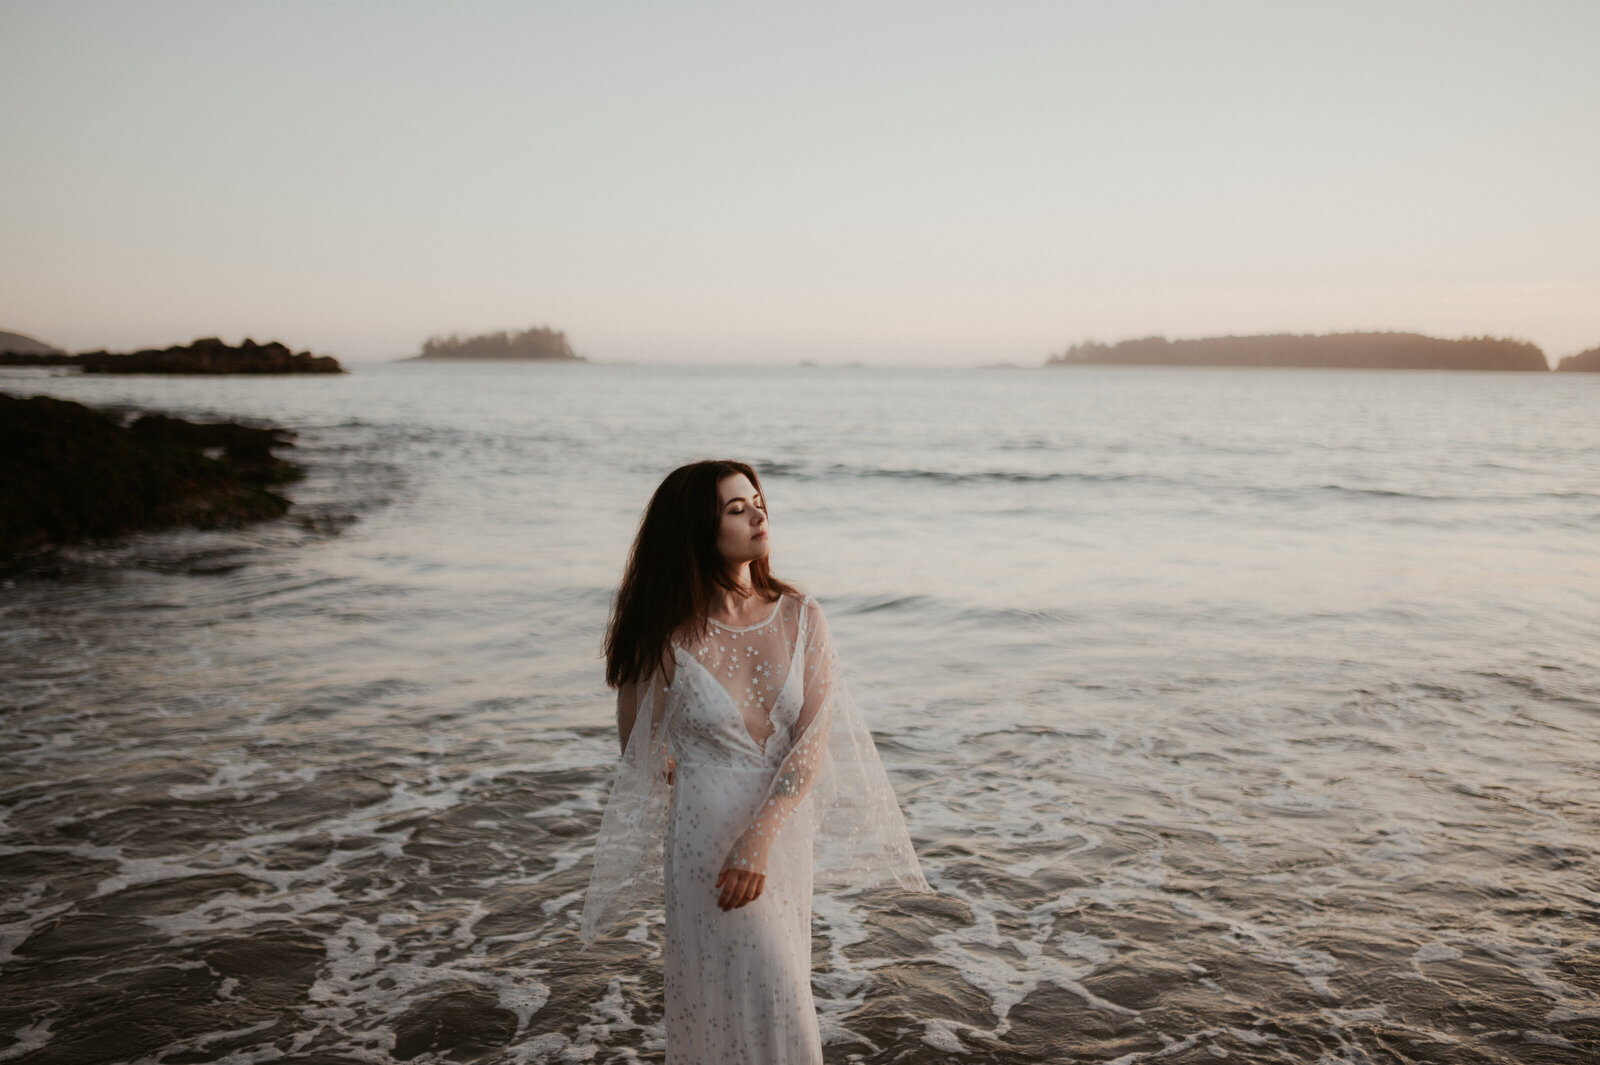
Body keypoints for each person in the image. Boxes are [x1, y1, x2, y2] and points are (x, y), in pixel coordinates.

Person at [580, 459, 930, 1064]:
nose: (757, 513)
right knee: (726, 995)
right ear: (696, 530)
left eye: (757, 500)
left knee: (782, 985)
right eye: (735, 509)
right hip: (702, 839)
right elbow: (637, 742)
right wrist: (695, 776)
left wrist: (759, 837)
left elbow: (811, 742)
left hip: (776, 834)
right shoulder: (667, 635)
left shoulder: (801, 616)